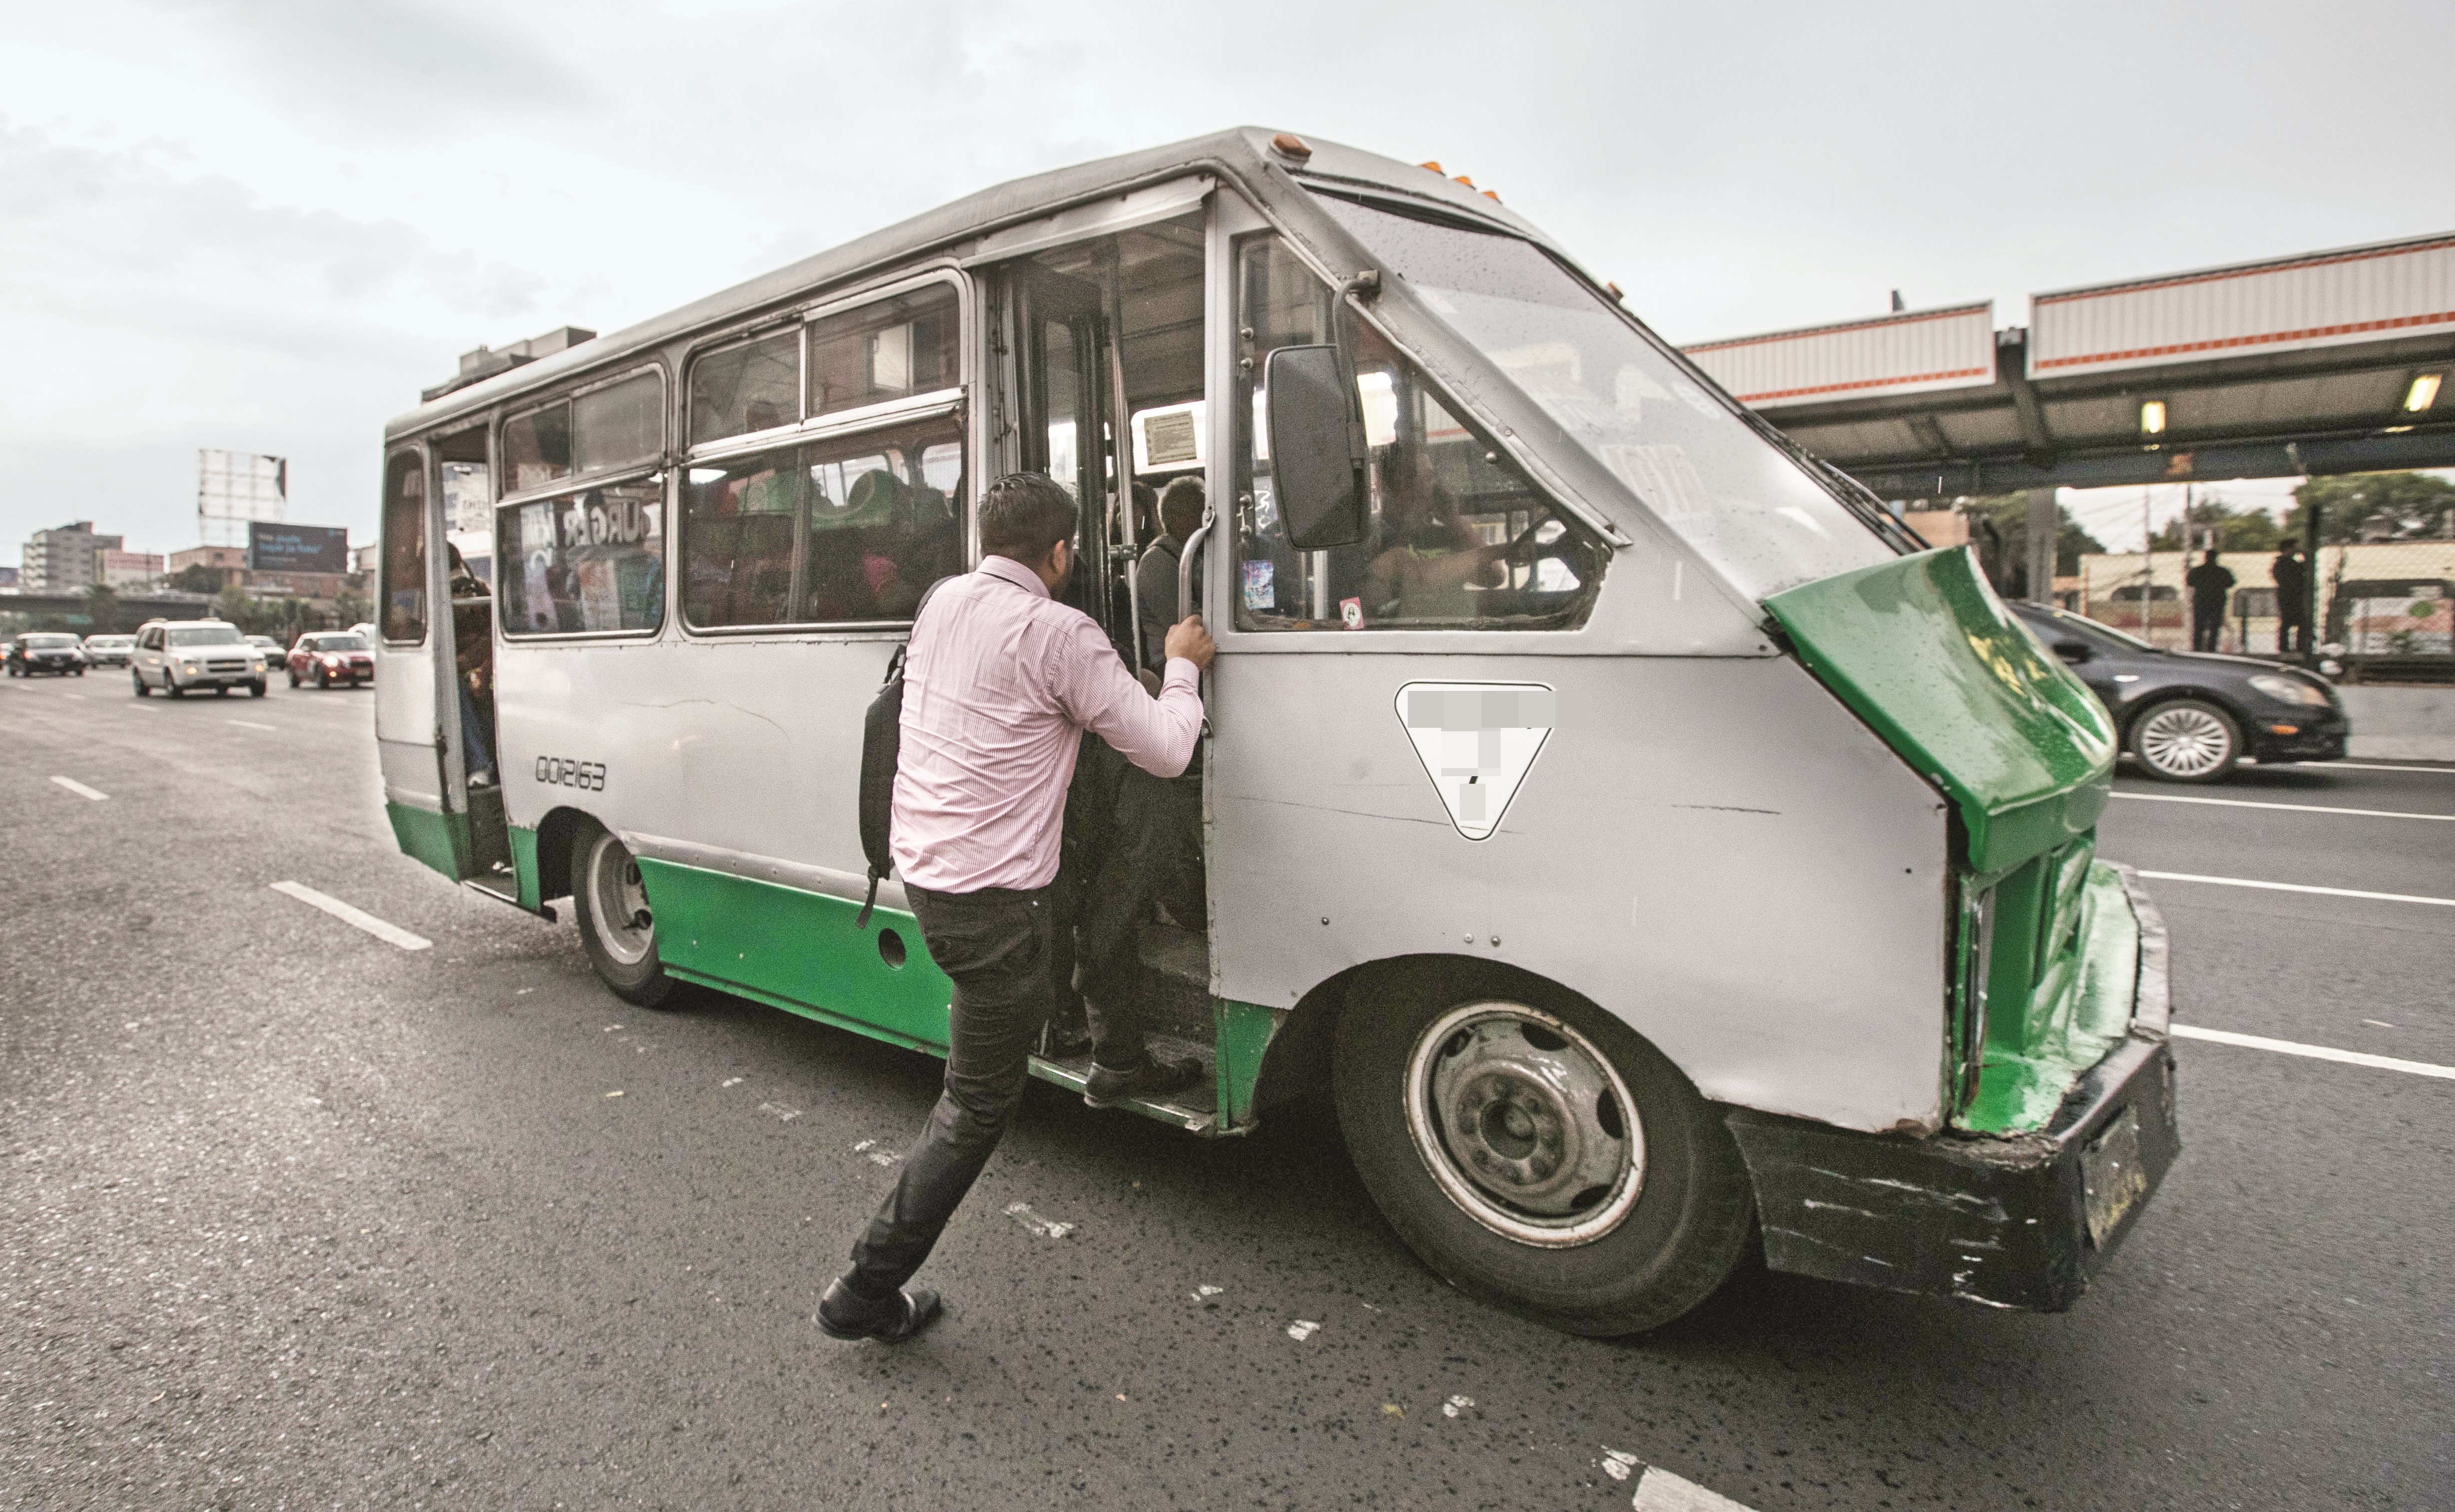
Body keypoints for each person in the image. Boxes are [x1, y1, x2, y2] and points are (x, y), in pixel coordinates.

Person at [817, 472, 1216, 1344]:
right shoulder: (1060, 631)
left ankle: (1095, 1037)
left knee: (1021, 985)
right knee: (973, 1107)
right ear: (1063, 551)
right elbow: (1166, 751)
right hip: (993, 911)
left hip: (932, 878)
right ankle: (862, 1289)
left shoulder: (941, 601)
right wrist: (1182, 666)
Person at [1135, 476, 1206, 673]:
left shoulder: (1190, 555)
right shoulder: (1158, 562)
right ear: (1180, 519)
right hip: (1170, 664)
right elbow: (1188, 623)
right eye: (1200, 514)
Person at [2185, 549, 2235, 653]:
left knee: (2199, 626)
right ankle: (2211, 649)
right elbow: (2230, 583)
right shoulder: (2222, 572)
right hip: (2216, 602)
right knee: (2214, 627)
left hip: (2201, 602)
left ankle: (2197, 648)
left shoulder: (2198, 571)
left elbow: (2190, 582)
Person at [2273, 543, 2311, 654]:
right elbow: (2301, 569)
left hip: (2289, 595)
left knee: (2293, 621)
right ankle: (2293, 647)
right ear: (2288, 549)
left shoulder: (2283, 563)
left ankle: (2289, 647)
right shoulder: (2284, 564)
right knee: (2290, 621)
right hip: (2289, 596)